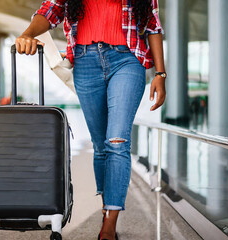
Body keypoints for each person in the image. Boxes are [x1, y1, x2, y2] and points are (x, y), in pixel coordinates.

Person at [16, 0, 166, 239]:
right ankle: (108, 211)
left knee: (117, 141)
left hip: (126, 59)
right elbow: (51, 9)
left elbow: (152, 25)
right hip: (86, 63)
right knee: (101, 147)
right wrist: (26, 34)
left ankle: (108, 227)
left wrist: (160, 73)